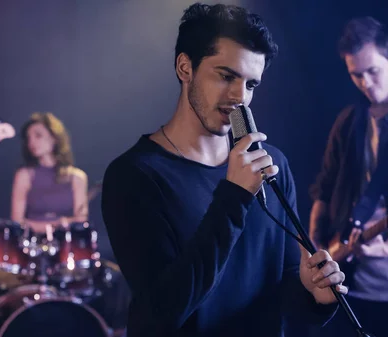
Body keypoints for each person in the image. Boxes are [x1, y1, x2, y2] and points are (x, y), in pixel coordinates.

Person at [101, 3, 347, 337]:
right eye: (226, 76)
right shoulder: (135, 176)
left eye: (251, 85)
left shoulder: (270, 165)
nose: (239, 97)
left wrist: (315, 296)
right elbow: (162, 311)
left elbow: (284, 283)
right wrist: (233, 196)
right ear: (185, 67)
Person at [309, 16, 388, 337]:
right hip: (351, 284)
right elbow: (324, 189)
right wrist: (316, 246)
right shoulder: (347, 122)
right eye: (356, 75)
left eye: (373, 71)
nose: (366, 83)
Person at [10, 112, 88, 233]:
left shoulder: (77, 177)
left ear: (54, 138)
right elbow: (17, 221)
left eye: (38, 136)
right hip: (32, 244)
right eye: (29, 137)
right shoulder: (24, 175)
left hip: (67, 244)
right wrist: (56, 225)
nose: (32, 142)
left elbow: (81, 220)